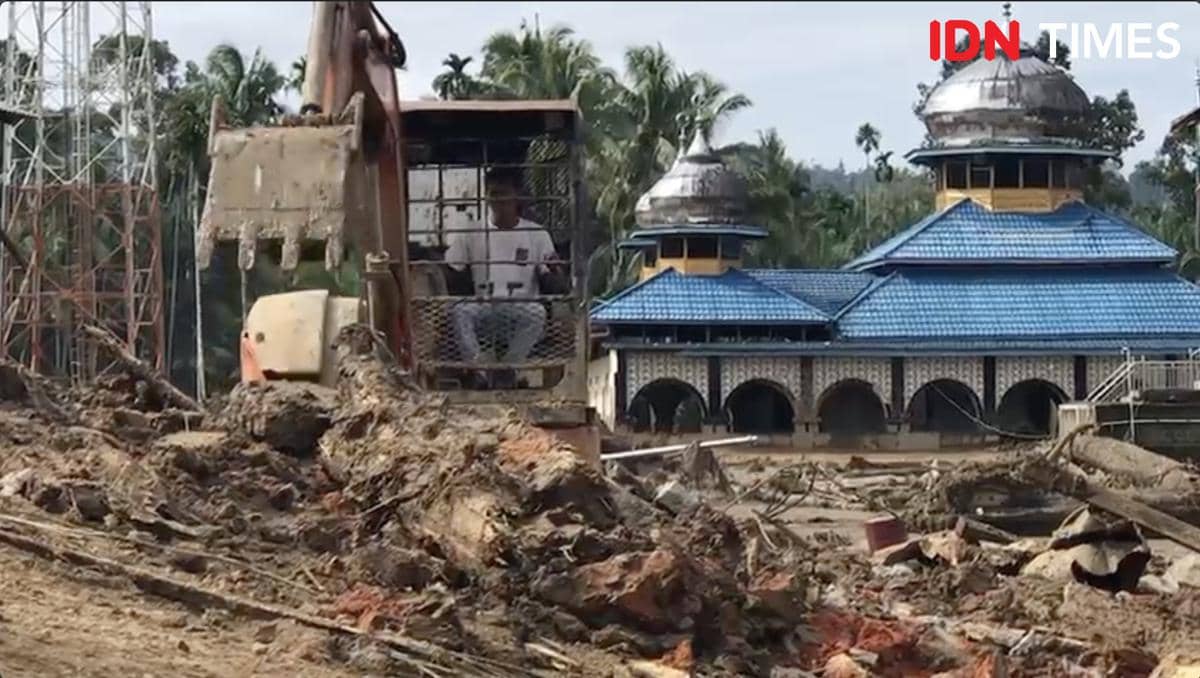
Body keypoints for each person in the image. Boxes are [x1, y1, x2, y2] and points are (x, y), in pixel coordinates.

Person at [443, 166, 562, 388]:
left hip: (520, 310)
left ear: (516, 195)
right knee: (459, 311)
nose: (498, 200)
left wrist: (556, 271)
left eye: (503, 193)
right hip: (485, 308)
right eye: (493, 194)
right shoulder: (471, 232)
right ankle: (478, 372)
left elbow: (552, 279)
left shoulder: (536, 234)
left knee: (537, 313)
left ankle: (508, 369)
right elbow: (451, 270)